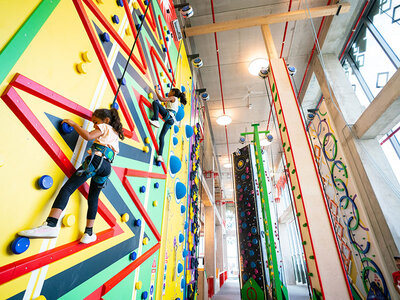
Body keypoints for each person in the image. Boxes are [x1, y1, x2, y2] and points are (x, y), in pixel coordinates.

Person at [18, 108, 124, 244]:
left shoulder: (104, 127)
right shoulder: (114, 134)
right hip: (106, 168)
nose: (94, 125)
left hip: (95, 161)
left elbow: (88, 136)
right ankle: (89, 232)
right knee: (93, 198)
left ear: (106, 120)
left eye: (95, 122)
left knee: (67, 189)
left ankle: (51, 224)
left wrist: (74, 125)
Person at [149, 87, 186, 163]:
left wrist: (156, 91)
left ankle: (156, 120)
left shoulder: (173, 97)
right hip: (171, 120)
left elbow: (162, 99)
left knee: (155, 103)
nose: (168, 93)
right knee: (161, 136)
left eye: (170, 91)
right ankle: (160, 156)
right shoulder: (175, 101)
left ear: (173, 92)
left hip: (168, 116)